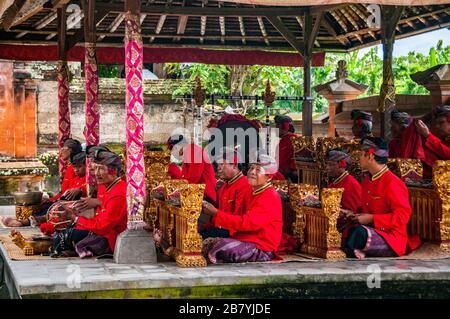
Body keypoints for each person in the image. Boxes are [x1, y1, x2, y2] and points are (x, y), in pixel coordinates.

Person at [201, 154, 282, 264]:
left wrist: (216, 213)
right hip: (244, 238)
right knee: (207, 243)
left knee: (223, 247)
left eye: (258, 170)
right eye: (251, 168)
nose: (252, 172)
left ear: (269, 177)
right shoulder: (252, 191)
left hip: (261, 246)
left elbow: (247, 222)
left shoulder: (269, 196)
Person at [342, 137, 413, 259]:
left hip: (390, 237)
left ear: (370, 157)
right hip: (371, 229)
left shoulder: (393, 183)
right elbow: (367, 209)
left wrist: (372, 219)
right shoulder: (367, 180)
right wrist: (354, 214)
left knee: (359, 234)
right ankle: (355, 249)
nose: (358, 158)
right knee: (346, 227)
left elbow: (402, 217)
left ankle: (355, 249)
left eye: (361, 155)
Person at [50, 151, 127, 258]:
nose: (96, 173)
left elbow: (102, 227)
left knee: (64, 238)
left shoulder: (118, 193)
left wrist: (75, 218)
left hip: (111, 239)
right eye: (95, 169)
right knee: (61, 234)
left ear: (113, 171)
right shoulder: (111, 187)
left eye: (101, 169)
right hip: (103, 232)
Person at [1, 152, 87, 228]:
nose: (76, 170)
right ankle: (25, 220)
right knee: (45, 204)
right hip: (64, 201)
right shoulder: (76, 178)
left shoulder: (89, 179)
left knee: (56, 207)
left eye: (79, 167)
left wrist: (81, 190)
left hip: (75, 205)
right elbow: (63, 194)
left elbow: (91, 191)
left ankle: (26, 222)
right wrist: (50, 200)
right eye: (74, 167)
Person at [200, 147, 253, 240]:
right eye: (217, 165)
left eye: (221, 164)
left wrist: (215, 213)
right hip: (220, 229)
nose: (218, 168)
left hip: (235, 233)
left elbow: (239, 220)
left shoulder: (245, 185)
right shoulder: (225, 185)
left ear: (234, 165)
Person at [168, 134, 217, 204]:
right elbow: (185, 178)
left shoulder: (193, 150)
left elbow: (193, 178)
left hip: (205, 194)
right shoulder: (188, 152)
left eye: (171, 150)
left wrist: (178, 191)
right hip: (198, 192)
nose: (172, 153)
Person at [325, 148, 361, 214]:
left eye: (331, 164)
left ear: (342, 164)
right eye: (327, 164)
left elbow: (355, 213)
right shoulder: (333, 183)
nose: (327, 168)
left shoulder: (351, 184)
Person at [274, 115, 298, 182]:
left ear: (284, 126)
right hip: (281, 173)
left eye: (278, 125)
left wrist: (292, 169)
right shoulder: (282, 140)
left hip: (290, 176)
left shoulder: (293, 139)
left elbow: (297, 155)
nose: (275, 128)